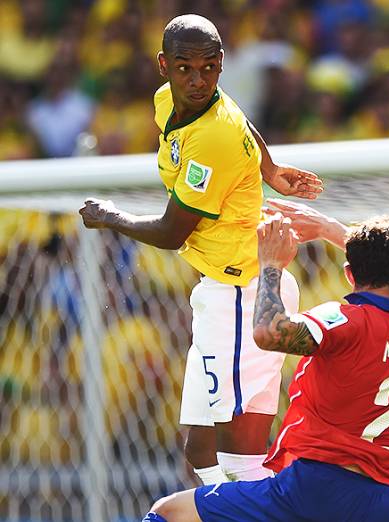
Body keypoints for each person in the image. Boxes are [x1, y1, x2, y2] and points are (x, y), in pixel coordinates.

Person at [78, 14, 323, 486]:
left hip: (245, 291)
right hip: (217, 288)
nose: (198, 80)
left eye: (209, 68)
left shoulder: (211, 138)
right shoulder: (169, 101)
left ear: (222, 64)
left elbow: (172, 233)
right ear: (163, 65)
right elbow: (238, 117)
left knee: (239, 460)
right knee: (198, 452)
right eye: (185, 68)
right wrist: (270, 169)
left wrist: (110, 216)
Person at [143, 202, 389, 521]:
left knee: (169, 512)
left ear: (349, 274)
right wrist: (329, 227)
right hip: (383, 502)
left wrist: (271, 264)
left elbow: (269, 334)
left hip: (313, 491)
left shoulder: (343, 321)